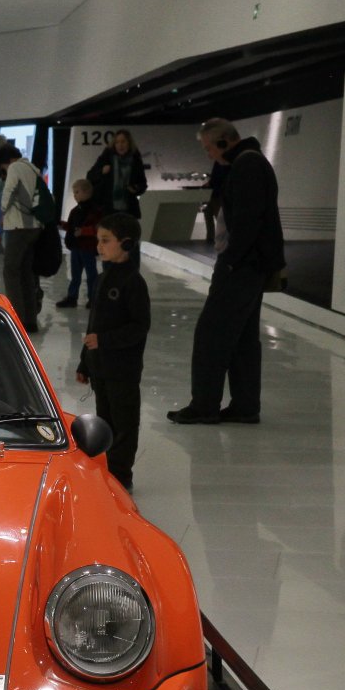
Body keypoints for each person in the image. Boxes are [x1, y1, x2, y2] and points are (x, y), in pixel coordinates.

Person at [168, 118, 284, 425]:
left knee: (212, 333)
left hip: (242, 265)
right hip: (250, 264)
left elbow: (248, 220)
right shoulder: (250, 162)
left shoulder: (247, 166)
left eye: (209, 148)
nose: (208, 154)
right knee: (242, 337)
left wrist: (231, 260)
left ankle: (204, 405)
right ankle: (245, 405)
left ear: (224, 142)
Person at [76, 212, 150, 491]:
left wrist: (104, 341)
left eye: (106, 240)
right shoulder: (102, 278)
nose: (99, 246)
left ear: (126, 244)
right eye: (98, 240)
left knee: (124, 424)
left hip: (123, 370)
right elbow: (93, 325)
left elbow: (139, 327)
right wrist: (85, 363)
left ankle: (121, 474)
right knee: (105, 421)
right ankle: (108, 470)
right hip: (101, 368)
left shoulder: (133, 282)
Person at [0, 143, 44, 331]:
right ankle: (30, 320)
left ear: (6, 161)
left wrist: (2, 209)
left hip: (18, 227)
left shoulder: (15, 167)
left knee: (11, 272)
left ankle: (16, 320)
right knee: (26, 274)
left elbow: (7, 194)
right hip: (34, 227)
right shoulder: (32, 168)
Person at [56, 178, 100, 308]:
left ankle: (93, 298)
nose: (75, 195)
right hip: (76, 247)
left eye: (77, 192)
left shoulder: (95, 210)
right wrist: (62, 225)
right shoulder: (75, 210)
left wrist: (83, 231)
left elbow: (98, 227)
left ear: (86, 192)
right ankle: (72, 297)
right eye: (74, 192)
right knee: (75, 274)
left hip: (87, 247)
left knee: (91, 274)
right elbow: (72, 226)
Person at [87, 129, 148, 219]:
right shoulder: (106, 158)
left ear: (129, 143)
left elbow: (143, 184)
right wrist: (101, 172)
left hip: (129, 210)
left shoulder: (135, 160)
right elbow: (90, 176)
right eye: (117, 142)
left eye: (123, 141)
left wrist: (135, 188)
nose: (120, 145)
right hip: (108, 209)